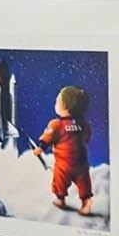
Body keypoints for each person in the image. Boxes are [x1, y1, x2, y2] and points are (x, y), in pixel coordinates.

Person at [36, 85, 94, 214]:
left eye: (57, 101)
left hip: (63, 164)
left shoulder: (56, 124)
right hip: (81, 162)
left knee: (59, 181)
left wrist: (40, 149)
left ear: (64, 106)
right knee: (84, 182)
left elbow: (47, 137)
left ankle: (60, 199)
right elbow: (87, 137)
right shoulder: (83, 124)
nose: (55, 103)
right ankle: (86, 202)